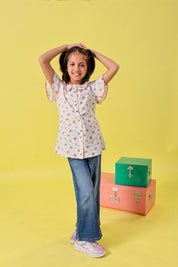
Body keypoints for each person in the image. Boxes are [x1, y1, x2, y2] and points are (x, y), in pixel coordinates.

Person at [39, 43, 119, 257]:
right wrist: (65, 47)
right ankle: (85, 239)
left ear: (88, 67)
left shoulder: (93, 87)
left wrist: (93, 53)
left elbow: (114, 67)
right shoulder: (58, 86)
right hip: (71, 148)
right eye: (72, 64)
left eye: (82, 64)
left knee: (92, 192)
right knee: (85, 191)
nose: (77, 68)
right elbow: (43, 60)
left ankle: (80, 230)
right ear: (66, 66)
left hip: (93, 146)